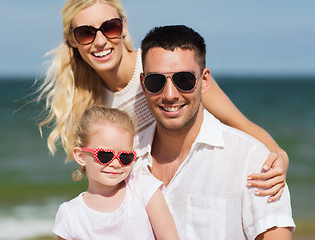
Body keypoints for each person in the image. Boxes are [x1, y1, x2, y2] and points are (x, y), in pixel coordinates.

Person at [37, 0, 287, 201]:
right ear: (72, 40)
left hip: (198, 196)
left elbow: (238, 123)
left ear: (123, 27)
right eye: (85, 33)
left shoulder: (164, 69)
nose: (100, 41)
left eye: (110, 27)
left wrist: (279, 155)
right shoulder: (91, 104)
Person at [135, 25, 295, 239]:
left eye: (184, 80)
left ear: (205, 81)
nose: (170, 94)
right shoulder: (127, 160)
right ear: (144, 85)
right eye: (156, 82)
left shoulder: (252, 160)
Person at [53, 105, 180, 240]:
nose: (115, 164)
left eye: (125, 157)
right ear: (81, 156)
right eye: (105, 155)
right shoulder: (70, 215)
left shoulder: (143, 188)